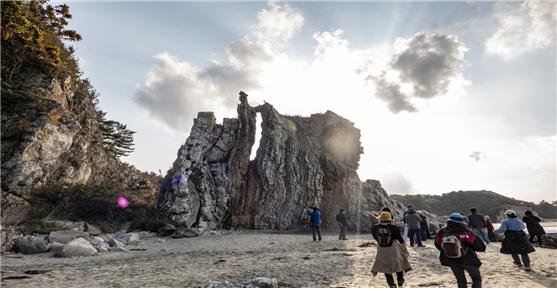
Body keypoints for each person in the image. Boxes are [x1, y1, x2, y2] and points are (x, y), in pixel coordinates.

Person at [435, 213, 486, 288]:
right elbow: (478, 245)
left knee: (461, 281)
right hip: (468, 259)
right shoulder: (465, 231)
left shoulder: (443, 231)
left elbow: (437, 243)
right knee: (476, 279)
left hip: (451, 259)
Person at [371, 212, 412, 288]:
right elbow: (400, 239)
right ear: (389, 219)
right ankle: (400, 280)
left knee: (385, 267)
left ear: (380, 219)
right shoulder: (394, 227)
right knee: (399, 263)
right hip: (393, 248)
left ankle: (391, 284)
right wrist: (405, 249)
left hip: (381, 249)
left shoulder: (374, 228)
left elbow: (375, 238)